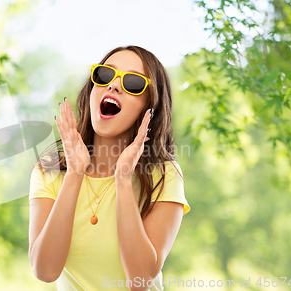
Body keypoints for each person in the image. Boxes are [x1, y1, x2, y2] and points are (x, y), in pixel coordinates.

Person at [28, 45, 191, 291]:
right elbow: (45, 270)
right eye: (105, 75)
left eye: (133, 83)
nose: (113, 86)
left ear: (151, 107)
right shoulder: (50, 170)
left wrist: (123, 180)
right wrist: (74, 174)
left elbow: (141, 280)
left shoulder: (165, 175)